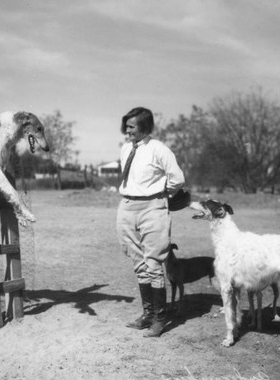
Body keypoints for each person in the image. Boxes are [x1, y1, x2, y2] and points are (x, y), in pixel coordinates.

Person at [116, 106, 185, 337]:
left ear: (145, 126)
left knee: (154, 264)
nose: (127, 130)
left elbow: (177, 179)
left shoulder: (159, 149)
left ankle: (160, 319)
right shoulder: (126, 149)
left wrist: (162, 196)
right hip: (127, 206)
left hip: (152, 207)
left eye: (132, 126)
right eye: (126, 125)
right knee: (139, 264)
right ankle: (147, 314)